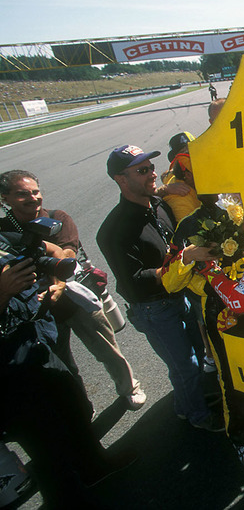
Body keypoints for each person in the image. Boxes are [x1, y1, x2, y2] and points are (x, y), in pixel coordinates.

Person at [0, 232, 135, 508]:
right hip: (7, 376)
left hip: (36, 347)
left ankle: (95, 467)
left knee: (74, 407)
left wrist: (54, 281)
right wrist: (3, 292)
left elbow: (52, 250)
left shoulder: (3, 238)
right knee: (45, 447)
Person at [97, 145, 223, 432]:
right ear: (120, 179)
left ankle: (186, 405)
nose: (152, 174)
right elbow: (133, 280)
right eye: (142, 171)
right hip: (153, 308)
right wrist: (183, 262)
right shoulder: (114, 230)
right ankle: (198, 417)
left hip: (180, 297)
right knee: (186, 367)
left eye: (151, 167)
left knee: (195, 357)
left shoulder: (158, 205)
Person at [0, 170, 146, 411]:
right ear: (5, 199)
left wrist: (57, 283)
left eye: (36, 192)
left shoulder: (57, 217)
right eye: (22, 194)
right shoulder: (4, 231)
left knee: (107, 349)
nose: (33, 198)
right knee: (63, 363)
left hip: (74, 299)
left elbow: (67, 253)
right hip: (36, 310)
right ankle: (80, 405)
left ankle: (129, 388)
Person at [161, 194, 244, 469]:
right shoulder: (189, 224)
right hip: (223, 313)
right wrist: (189, 256)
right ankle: (242, 438)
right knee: (233, 381)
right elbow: (169, 282)